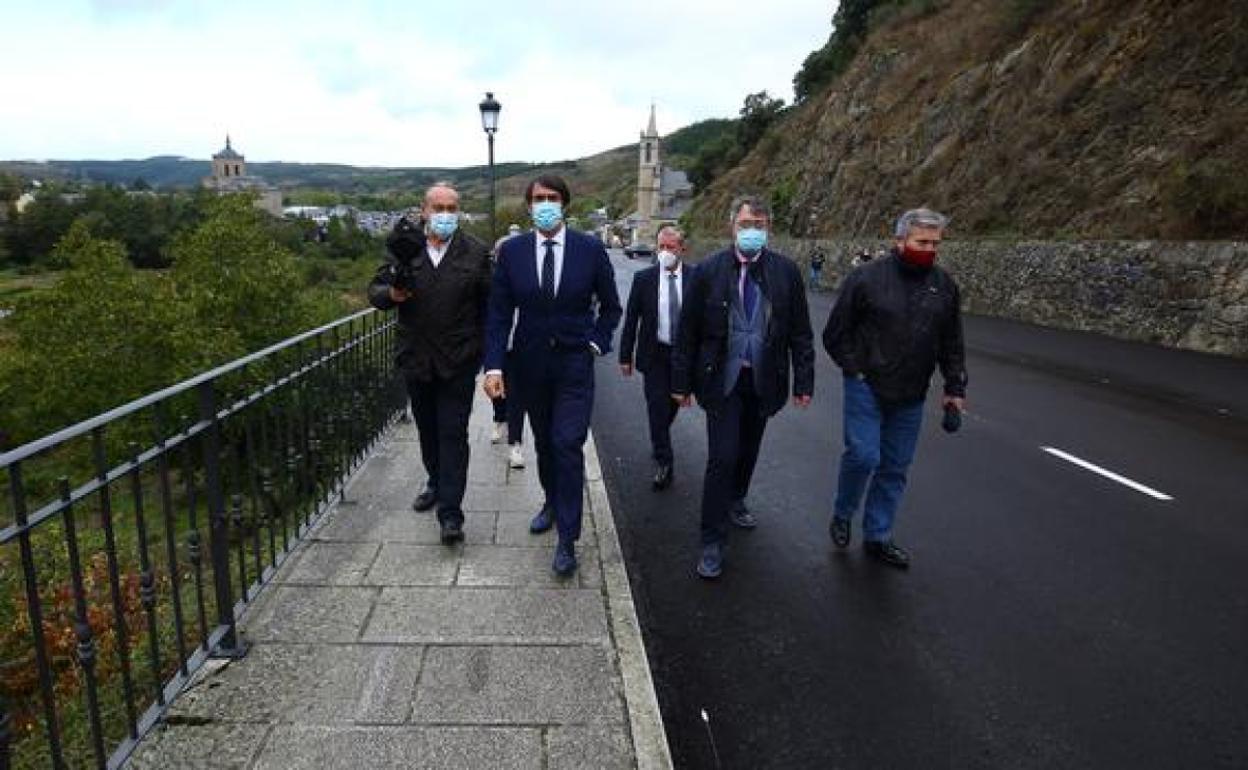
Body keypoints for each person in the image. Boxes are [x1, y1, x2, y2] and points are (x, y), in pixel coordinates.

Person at [482, 175, 622, 576]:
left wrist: (596, 343)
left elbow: (611, 308)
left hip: (574, 365)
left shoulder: (590, 250)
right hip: (528, 366)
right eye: (538, 198)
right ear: (528, 206)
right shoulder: (513, 253)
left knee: (567, 443)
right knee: (544, 442)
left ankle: (567, 539)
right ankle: (550, 502)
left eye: (552, 198)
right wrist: (493, 366)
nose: (545, 204)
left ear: (565, 204)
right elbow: (498, 314)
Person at [671, 195, 815, 579]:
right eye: (746, 224)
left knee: (748, 449)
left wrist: (804, 380)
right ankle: (712, 541)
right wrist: (681, 382)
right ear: (731, 226)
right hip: (722, 380)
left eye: (761, 225)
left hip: (765, 380)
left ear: (769, 230)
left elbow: (800, 332)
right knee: (722, 457)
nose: (753, 231)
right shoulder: (708, 271)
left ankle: (737, 497)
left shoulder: (786, 272)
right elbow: (687, 331)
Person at [821, 208, 967, 569]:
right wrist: (855, 371)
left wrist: (954, 388)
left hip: (912, 392)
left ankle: (878, 536)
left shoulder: (944, 286)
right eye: (922, 242)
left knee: (895, 467)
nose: (929, 249)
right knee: (864, 455)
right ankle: (843, 512)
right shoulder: (865, 279)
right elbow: (835, 334)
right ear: (899, 240)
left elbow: (952, 342)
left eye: (935, 243)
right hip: (866, 386)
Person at [368, 183, 492, 545]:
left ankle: (450, 514)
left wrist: (487, 356)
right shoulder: (405, 250)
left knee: (453, 434)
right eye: (438, 207)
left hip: (458, 362)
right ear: (424, 211)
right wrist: (391, 294)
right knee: (428, 431)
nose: (445, 214)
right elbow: (375, 291)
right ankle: (436, 481)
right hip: (417, 361)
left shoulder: (476, 252)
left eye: (452, 207)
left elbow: (489, 307)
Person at [619, 225, 694, 490]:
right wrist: (624, 356)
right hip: (655, 355)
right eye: (661, 247)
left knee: (672, 407)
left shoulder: (697, 278)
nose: (664, 252)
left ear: (682, 249)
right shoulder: (644, 280)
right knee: (656, 408)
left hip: (684, 357)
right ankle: (665, 461)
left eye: (670, 248)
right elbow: (631, 321)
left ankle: (660, 435)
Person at [489, 222, 527, 470]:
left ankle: (516, 446)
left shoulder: (527, 279)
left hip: (522, 349)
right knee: (497, 392)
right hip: (499, 347)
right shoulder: (491, 283)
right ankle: (498, 419)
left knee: (518, 399)